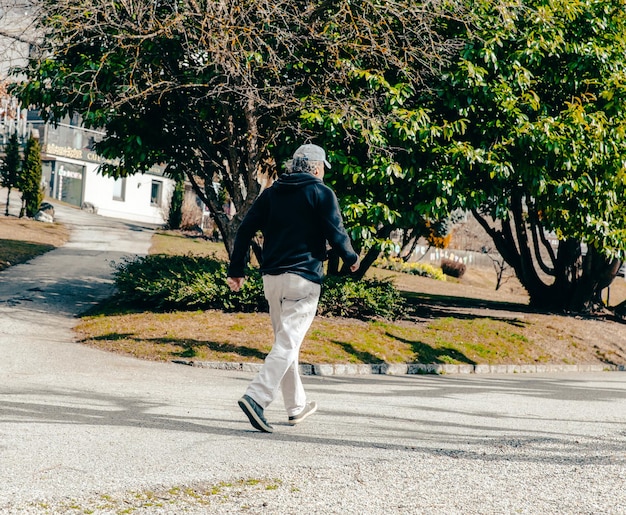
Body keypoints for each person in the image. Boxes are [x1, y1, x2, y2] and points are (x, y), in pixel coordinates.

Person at [227, 143, 360, 433]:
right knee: (287, 343)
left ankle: (296, 407)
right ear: (314, 167)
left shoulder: (272, 193)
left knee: (287, 344)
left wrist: (237, 269)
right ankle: (256, 397)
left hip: (272, 280)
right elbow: (336, 232)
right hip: (303, 280)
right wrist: (351, 258)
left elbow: (244, 229)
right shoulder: (321, 192)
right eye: (323, 167)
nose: (323, 172)